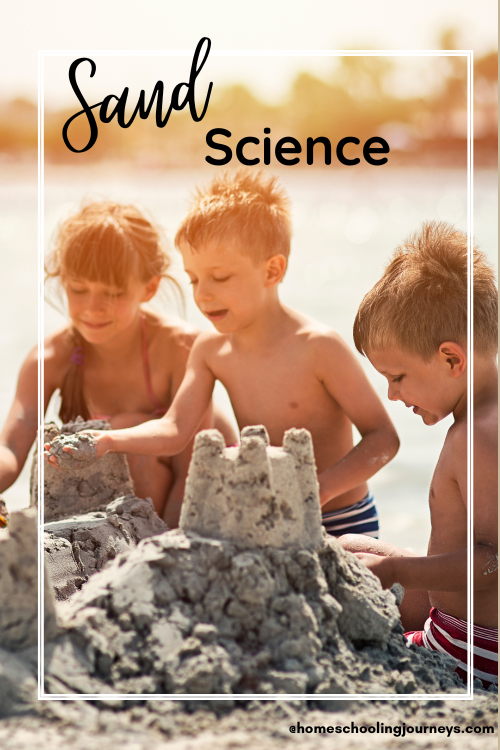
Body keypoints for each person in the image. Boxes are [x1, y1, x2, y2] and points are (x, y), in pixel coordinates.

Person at [47, 171, 400, 539]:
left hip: (341, 515)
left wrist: (320, 489)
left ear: (272, 270)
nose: (203, 295)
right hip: (268, 516)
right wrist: (109, 440)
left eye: (220, 277)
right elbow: (174, 429)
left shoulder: (318, 347)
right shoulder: (210, 350)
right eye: (194, 279)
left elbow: (383, 438)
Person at [2, 201, 236, 527]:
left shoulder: (180, 349)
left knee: (124, 427)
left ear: (149, 288)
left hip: (208, 486)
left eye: (112, 293)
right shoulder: (50, 358)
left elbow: (191, 472)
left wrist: (162, 547)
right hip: (128, 503)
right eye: (78, 289)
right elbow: (11, 449)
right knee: (57, 451)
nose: (93, 308)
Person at [340, 221, 498, 689]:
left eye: (398, 376)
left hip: (471, 653)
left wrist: (396, 569)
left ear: (452, 360)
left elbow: (492, 561)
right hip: (469, 627)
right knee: (349, 551)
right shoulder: (483, 419)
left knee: (353, 570)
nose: (391, 395)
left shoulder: (479, 438)